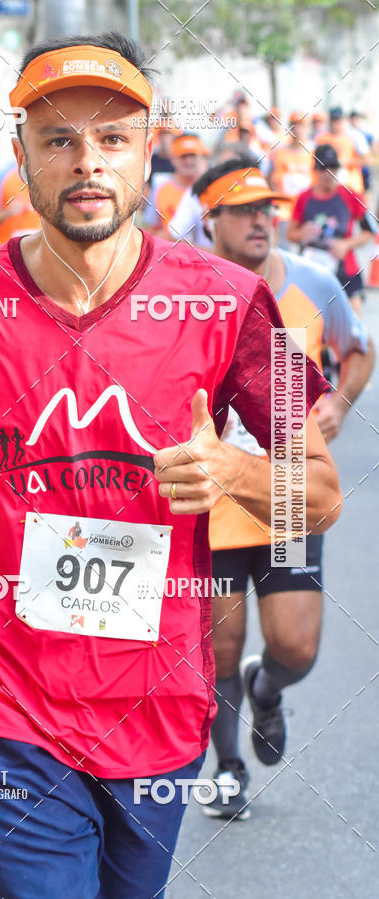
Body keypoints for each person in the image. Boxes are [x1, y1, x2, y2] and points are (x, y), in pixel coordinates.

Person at [0, 33, 341, 898]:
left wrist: (233, 476)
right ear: (21, 157)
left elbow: (319, 495)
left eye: (113, 138)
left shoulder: (234, 302)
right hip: (0, 701)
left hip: (158, 704)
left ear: (146, 154)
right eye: (58, 139)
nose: (86, 161)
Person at [189, 157, 374, 820]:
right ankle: (229, 767)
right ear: (209, 220)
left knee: (295, 646)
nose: (260, 219)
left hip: (289, 500)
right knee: (219, 650)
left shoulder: (315, 282)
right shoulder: (189, 292)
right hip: (211, 506)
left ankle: (267, 691)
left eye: (266, 206)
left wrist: (341, 403)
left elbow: (362, 347)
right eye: (241, 210)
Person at [287, 143, 375, 316]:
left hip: (345, 270)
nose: (327, 173)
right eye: (322, 168)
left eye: (332, 168)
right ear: (315, 170)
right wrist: (302, 233)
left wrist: (346, 244)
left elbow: (369, 231)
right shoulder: (304, 198)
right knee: (308, 329)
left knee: (352, 331)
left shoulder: (350, 196)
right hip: (312, 269)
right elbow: (290, 234)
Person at [142, 133, 209, 239]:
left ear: (201, 157)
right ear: (173, 159)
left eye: (193, 155)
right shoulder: (160, 186)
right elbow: (150, 228)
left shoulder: (210, 188)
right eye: (183, 156)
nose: (189, 161)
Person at [267, 111, 313, 247]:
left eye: (301, 126)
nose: (297, 130)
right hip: (285, 212)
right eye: (294, 125)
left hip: (306, 211)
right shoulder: (280, 153)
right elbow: (273, 181)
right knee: (285, 252)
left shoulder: (312, 153)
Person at [0, 158, 40, 245]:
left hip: (43, 254)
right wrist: (8, 212)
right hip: (9, 254)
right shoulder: (3, 174)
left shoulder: (52, 175)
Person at [314, 106, 368, 195]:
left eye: (337, 119)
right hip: (328, 187)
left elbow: (366, 159)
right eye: (333, 120)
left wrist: (346, 162)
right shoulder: (321, 138)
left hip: (350, 187)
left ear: (343, 120)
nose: (335, 123)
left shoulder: (354, 136)